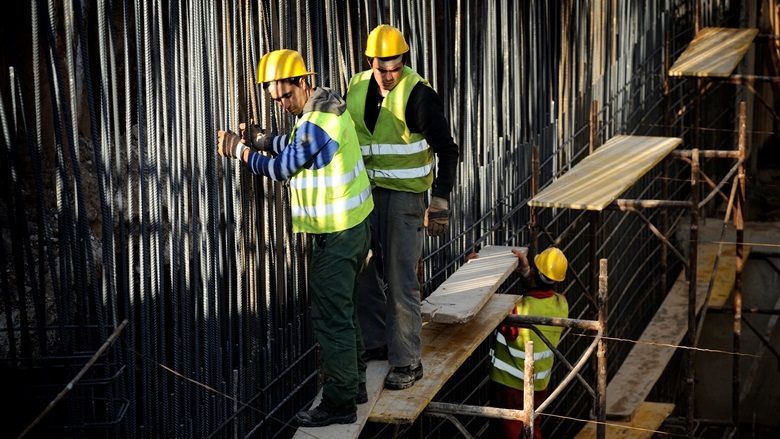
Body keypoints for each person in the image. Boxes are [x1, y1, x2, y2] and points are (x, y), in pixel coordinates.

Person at [216, 49, 373, 428]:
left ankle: (339, 402)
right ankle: (356, 384)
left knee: (331, 316)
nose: (283, 103)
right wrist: (262, 138)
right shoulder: (325, 105)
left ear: (303, 81)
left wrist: (238, 150)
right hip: (353, 228)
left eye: (286, 95)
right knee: (346, 310)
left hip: (335, 235)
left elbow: (285, 166)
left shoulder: (317, 119)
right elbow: (297, 142)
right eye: (276, 99)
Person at [345, 24, 460, 391]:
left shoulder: (419, 96)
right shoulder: (357, 87)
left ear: (403, 61)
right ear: (370, 62)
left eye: (395, 67)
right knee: (361, 270)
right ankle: (377, 341)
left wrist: (440, 199)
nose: (390, 75)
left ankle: (407, 361)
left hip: (406, 198)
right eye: (383, 68)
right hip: (366, 194)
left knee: (400, 279)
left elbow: (448, 150)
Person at [488, 247, 569, 439]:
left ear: (535, 271)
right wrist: (526, 273)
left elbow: (489, 311)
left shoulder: (518, 311)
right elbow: (537, 293)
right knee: (531, 427)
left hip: (511, 386)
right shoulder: (561, 303)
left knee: (512, 431)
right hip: (539, 385)